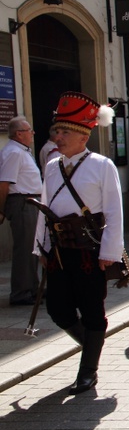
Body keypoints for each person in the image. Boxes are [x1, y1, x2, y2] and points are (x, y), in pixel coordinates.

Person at [33, 92, 123, 394]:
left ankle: (88, 372)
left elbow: (113, 211)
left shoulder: (102, 165)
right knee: (58, 309)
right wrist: (41, 248)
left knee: (92, 309)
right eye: (57, 131)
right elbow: (45, 207)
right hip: (59, 250)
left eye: (65, 132)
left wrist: (109, 252)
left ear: (83, 136)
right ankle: (91, 346)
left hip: (90, 250)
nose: (58, 137)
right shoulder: (51, 166)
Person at [0, 116, 43, 305]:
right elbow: (4, 184)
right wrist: (1, 210)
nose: (32, 133)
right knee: (25, 249)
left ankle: (32, 288)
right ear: (19, 134)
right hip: (22, 202)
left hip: (31, 202)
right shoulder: (14, 152)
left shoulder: (21, 151)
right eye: (29, 130)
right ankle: (21, 292)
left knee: (32, 248)